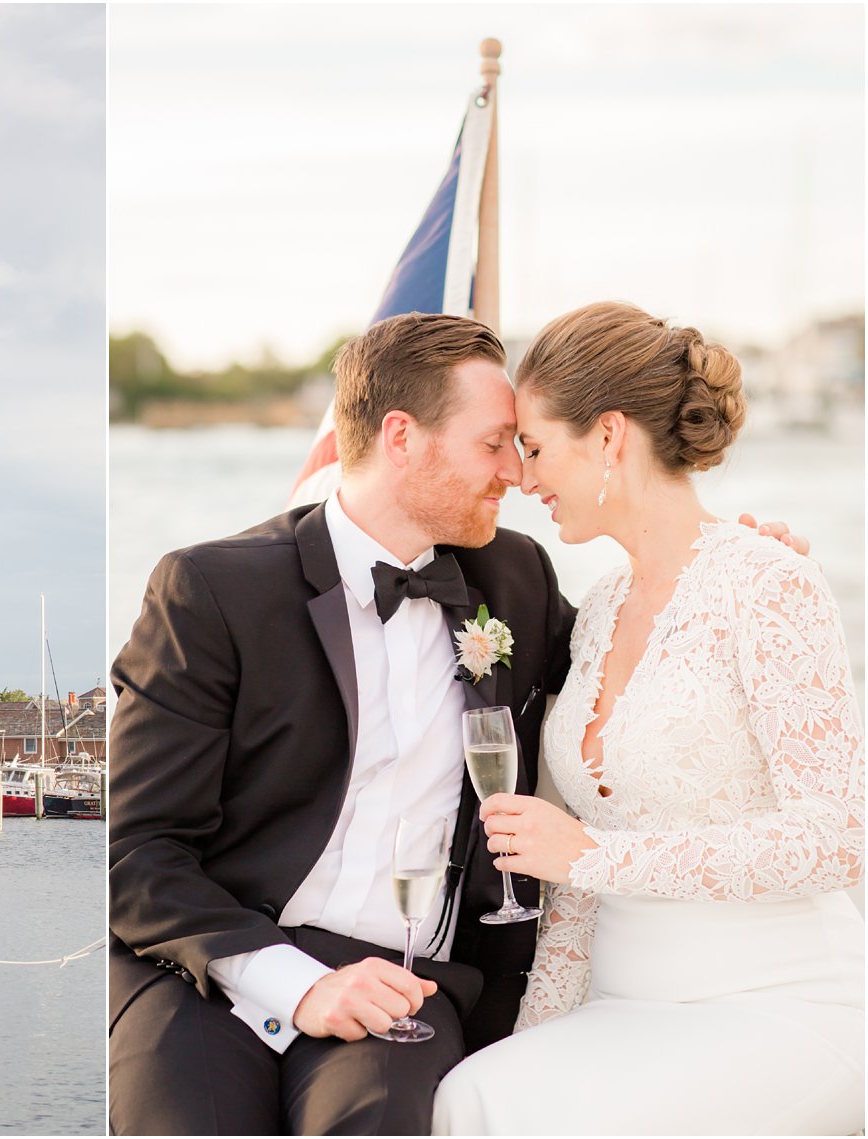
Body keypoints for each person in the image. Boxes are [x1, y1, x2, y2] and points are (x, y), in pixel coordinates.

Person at [109, 312, 578, 1135]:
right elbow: (136, 848)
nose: (516, 471)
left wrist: (727, 571)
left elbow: (634, 676)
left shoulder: (517, 578)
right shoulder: (210, 592)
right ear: (402, 436)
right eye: (494, 442)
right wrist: (297, 981)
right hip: (212, 964)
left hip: (409, 981)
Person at [431, 302, 864, 1136]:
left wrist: (596, 854)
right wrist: (536, 1032)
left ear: (610, 436)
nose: (523, 477)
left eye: (536, 445)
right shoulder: (594, 612)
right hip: (624, 1001)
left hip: (778, 1000)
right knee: (473, 1097)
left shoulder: (770, 582)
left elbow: (837, 836)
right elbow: (581, 889)